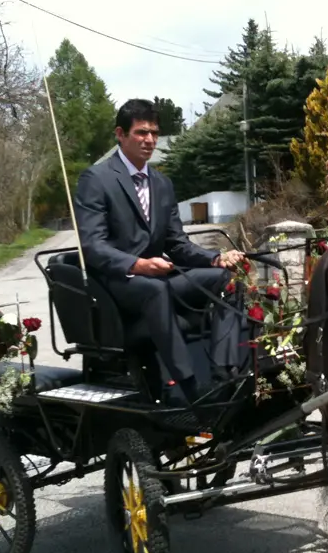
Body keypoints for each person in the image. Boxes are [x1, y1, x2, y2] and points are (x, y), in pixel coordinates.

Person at [75, 98, 247, 404]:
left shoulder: (162, 183)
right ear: (120, 134)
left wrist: (215, 258)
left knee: (226, 280)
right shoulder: (97, 179)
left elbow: (177, 244)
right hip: (117, 283)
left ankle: (223, 372)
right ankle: (189, 387)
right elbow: (93, 246)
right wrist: (138, 264)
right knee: (154, 289)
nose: (150, 140)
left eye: (154, 132)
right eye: (141, 132)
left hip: (158, 279)